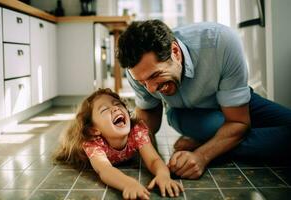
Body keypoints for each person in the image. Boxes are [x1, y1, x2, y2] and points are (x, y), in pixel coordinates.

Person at [116, 19, 291, 179]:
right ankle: (217, 139)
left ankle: (206, 140)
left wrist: (202, 154)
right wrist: (147, 154)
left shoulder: (221, 42)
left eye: (156, 75)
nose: (152, 89)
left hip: (236, 102)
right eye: (143, 82)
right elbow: (147, 114)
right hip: (187, 115)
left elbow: (238, 122)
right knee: (231, 130)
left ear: (175, 52)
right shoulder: (137, 72)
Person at [53, 88, 183, 199]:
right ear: (94, 129)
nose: (115, 108)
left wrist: (163, 175)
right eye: (104, 110)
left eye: (118, 104)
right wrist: (128, 184)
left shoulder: (136, 131)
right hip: (84, 148)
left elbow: (154, 159)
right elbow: (105, 170)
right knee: (72, 145)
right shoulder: (93, 142)